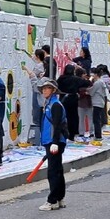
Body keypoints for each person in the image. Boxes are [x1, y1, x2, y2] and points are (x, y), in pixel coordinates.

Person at [38, 79, 67, 211]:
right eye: (43, 89)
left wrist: (55, 142)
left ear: (54, 90)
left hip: (54, 141)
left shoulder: (55, 105)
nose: (44, 91)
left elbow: (57, 124)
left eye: (47, 88)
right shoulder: (49, 104)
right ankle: (60, 198)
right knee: (57, 170)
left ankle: (52, 200)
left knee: (53, 172)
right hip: (50, 141)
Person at [56, 64, 89, 140]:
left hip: (63, 98)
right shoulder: (75, 79)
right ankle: (72, 134)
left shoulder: (61, 78)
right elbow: (87, 83)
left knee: (64, 116)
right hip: (73, 99)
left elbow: (56, 85)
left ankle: (63, 133)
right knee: (73, 117)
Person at [89, 67, 107, 139]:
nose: (91, 75)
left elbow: (91, 92)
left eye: (92, 74)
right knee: (97, 119)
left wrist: (86, 89)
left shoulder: (97, 83)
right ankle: (98, 134)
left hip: (97, 103)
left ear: (96, 74)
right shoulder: (101, 82)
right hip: (100, 102)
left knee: (96, 120)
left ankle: (98, 135)